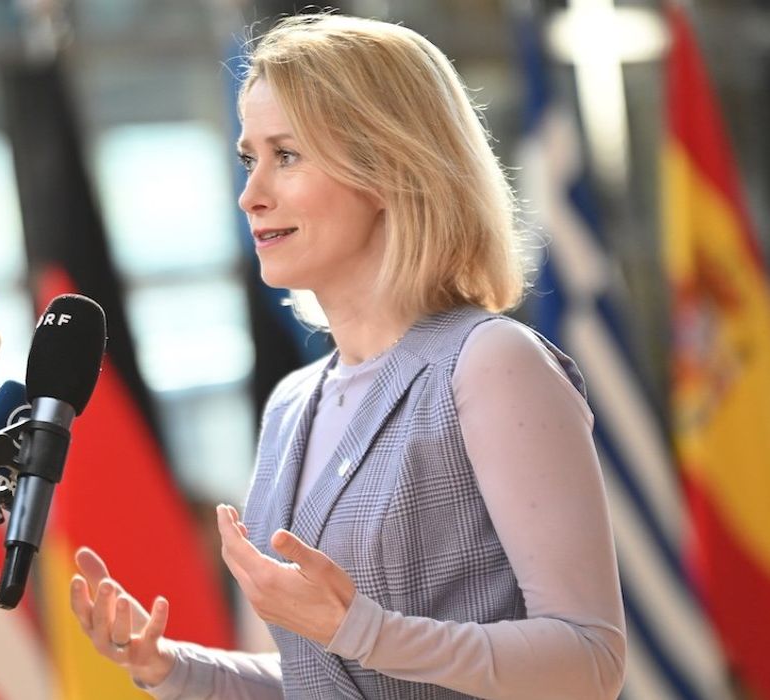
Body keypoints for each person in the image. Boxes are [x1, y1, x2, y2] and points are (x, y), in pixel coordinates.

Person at [69, 14, 626, 699]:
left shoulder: (489, 361)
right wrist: (172, 667)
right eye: (249, 158)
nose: (250, 194)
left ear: (389, 165)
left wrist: (361, 628)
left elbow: (588, 659)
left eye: (287, 155)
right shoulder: (290, 403)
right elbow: (332, 680)